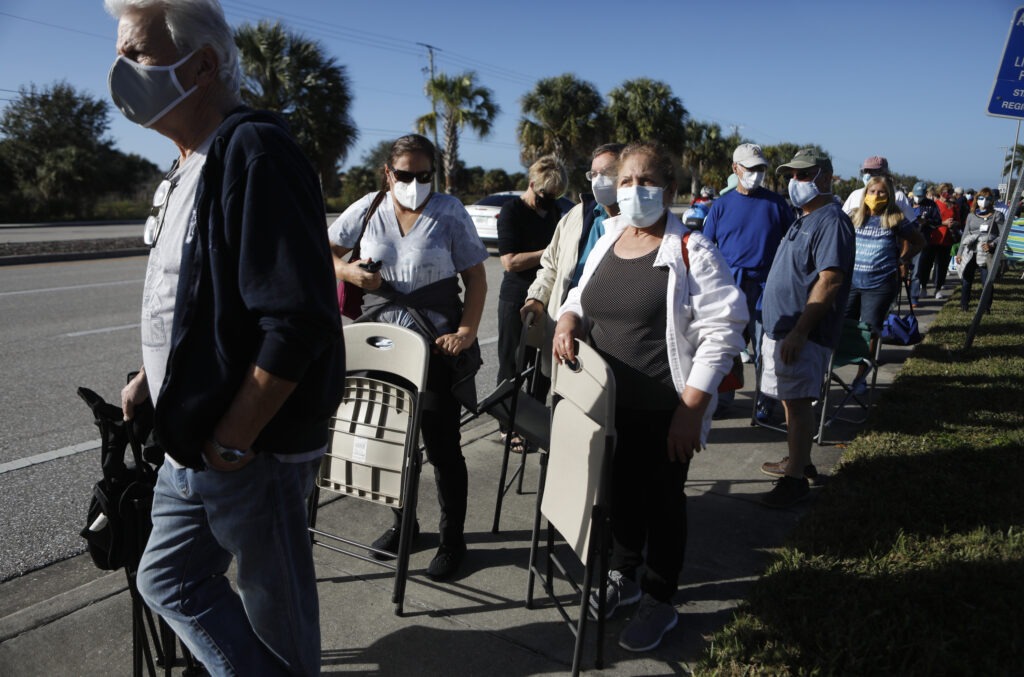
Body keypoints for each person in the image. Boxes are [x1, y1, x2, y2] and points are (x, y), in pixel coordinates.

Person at [107, 0, 345, 673]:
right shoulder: (189, 164)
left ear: (203, 65)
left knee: (281, 624)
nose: (119, 69)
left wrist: (234, 436)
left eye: (136, 53)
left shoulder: (254, 150)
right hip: (195, 442)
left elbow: (296, 317)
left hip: (250, 450)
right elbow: (198, 301)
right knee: (168, 579)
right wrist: (156, 376)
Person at [552, 142, 746, 652]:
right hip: (605, 408)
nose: (635, 190)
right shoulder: (611, 234)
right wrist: (568, 320)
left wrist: (690, 410)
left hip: (665, 409)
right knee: (617, 499)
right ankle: (625, 576)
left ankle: (661, 599)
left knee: (661, 504)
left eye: (646, 181)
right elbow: (578, 293)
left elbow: (724, 331)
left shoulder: (692, 251)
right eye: (626, 182)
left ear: (672, 190)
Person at [328, 133, 488, 581]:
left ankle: (452, 540)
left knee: (442, 447)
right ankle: (404, 527)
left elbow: (476, 280)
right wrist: (350, 272)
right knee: (388, 441)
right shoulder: (368, 208)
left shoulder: (449, 213)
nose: (414, 183)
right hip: (380, 345)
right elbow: (326, 254)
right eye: (405, 175)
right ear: (388, 173)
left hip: (434, 346)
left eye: (423, 176)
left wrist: (466, 331)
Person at [757, 149, 855, 508]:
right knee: (790, 400)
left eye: (804, 175)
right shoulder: (804, 218)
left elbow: (829, 280)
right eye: (792, 176)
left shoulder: (832, 221)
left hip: (803, 334)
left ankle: (795, 479)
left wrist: (800, 331)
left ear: (825, 178)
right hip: (783, 331)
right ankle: (800, 460)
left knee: (797, 403)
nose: (795, 182)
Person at [702, 143, 793, 418]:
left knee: (766, 345)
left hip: (766, 286)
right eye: (751, 168)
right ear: (736, 169)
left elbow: (791, 245)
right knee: (726, 346)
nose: (756, 173)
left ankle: (766, 400)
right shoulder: (721, 206)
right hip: (730, 287)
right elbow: (705, 248)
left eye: (761, 168)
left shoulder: (777, 204)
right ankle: (723, 398)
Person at [521, 143, 624, 377]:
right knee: (563, 401)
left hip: (610, 338)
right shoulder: (576, 215)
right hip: (563, 331)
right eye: (593, 174)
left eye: (606, 173)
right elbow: (551, 265)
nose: (598, 180)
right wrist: (536, 298)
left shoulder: (639, 224)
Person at [495, 155, 566, 450]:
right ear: (532, 183)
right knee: (512, 363)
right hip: (517, 298)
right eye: (544, 195)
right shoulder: (512, 211)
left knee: (541, 368)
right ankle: (506, 425)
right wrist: (550, 251)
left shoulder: (555, 212)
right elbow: (509, 262)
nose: (549, 201)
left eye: (555, 196)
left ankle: (533, 425)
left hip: (547, 299)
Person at [844, 176, 925, 393]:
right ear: (865, 194)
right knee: (842, 326)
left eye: (881, 192)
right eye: (872, 192)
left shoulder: (895, 218)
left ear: (888, 196)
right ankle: (838, 365)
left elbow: (919, 241)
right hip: (852, 281)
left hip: (880, 284)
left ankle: (861, 377)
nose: (876, 196)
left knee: (870, 330)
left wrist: (903, 259)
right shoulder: (854, 216)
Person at [957, 187, 1005, 313]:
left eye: (987, 198)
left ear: (992, 201)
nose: (984, 201)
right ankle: (964, 304)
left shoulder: (997, 215)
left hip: (986, 253)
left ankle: (986, 307)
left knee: (986, 281)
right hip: (970, 252)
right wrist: (959, 252)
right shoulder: (971, 216)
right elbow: (965, 234)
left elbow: (1003, 235)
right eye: (981, 198)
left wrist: (992, 244)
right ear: (976, 199)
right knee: (967, 279)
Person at [841, 155, 917, 223]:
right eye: (866, 171)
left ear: (884, 174)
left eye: (872, 172)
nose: (868, 175)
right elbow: (842, 220)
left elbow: (912, 224)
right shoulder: (855, 194)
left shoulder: (898, 196)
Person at [918, 182, 961, 300]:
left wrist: (954, 223)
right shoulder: (934, 205)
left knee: (942, 266)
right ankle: (923, 287)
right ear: (940, 192)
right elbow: (928, 221)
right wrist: (943, 223)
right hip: (932, 238)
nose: (948, 194)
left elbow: (959, 221)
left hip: (947, 240)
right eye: (946, 191)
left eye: (950, 192)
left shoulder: (954, 206)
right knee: (926, 264)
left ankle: (938, 288)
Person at [908, 181, 943, 307]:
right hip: (905, 241)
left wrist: (926, 221)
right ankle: (895, 299)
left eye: (921, 195)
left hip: (921, 242)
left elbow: (938, 222)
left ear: (925, 194)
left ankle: (914, 297)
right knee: (900, 270)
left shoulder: (931, 205)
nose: (918, 198)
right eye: (916, 195)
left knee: (916, 271)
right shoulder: (907, 203)